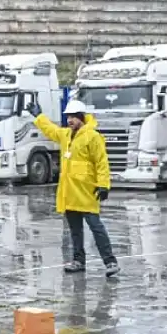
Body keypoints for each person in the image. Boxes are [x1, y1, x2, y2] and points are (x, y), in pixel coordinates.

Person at [27, 99, 121, 277]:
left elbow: (101, 162)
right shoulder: (65, 135)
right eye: (68, 117)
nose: (70, 120)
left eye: (73, 117)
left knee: (96, 227)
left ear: (82, 118)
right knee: (75, 230)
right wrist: (38, 116)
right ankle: (78, 261)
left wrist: (103, 185)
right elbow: (50, 129)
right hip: (70, 193)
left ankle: (110, 262)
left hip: (87, 192)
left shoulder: (93, 137)